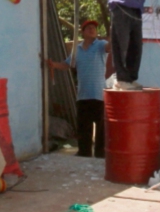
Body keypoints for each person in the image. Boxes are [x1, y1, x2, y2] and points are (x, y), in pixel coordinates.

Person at [47, 18, 112, 157]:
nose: (92, 29)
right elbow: (67, 64)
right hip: (83, 94)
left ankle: (100, 153)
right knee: (84, 127)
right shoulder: (77, 50)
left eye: (94, 28)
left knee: (101, 127)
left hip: (99, 93)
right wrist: (53, 65)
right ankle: (84, 152)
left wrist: (115, 33)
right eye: (88, 28)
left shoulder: (101, 45)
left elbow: (110, 47)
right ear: (83, 32)